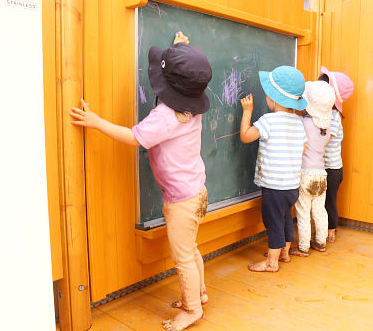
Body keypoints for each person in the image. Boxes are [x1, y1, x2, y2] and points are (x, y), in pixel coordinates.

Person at [70, 32, 211, 331]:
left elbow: (135, 137)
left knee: (183, 256)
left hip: (181, 201)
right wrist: (180, 48)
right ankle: (199, 293)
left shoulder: (165, 116)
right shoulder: (191, 108)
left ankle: (191, 309)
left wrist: (96, 122)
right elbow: (185, 76)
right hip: (198, 190)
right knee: (192, 249)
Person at [239, 65, 308, 272]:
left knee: (273, 223)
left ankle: (272, 262)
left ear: (275, 100)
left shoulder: (268, 120)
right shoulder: (298, 122)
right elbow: (303, 148)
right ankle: (284, 253)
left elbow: (246, 136)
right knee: (286, 217)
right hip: (291, 185)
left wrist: (247, 112)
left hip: (274, 185)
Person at [290, 80, 336, 256]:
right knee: (319, 210)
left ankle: (303, 247)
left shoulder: (302, 122)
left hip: (305, 174)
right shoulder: (328, 127)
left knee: (302, 212)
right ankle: (320, 241)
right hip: (321, 174)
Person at [320, 66, 354, 243]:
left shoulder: (333, 115)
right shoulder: (325, 113)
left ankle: (331, 230)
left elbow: (325, 140)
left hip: (332, 169)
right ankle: (323, 229)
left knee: (329, 201)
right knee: (322, 201)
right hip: (323, 167)